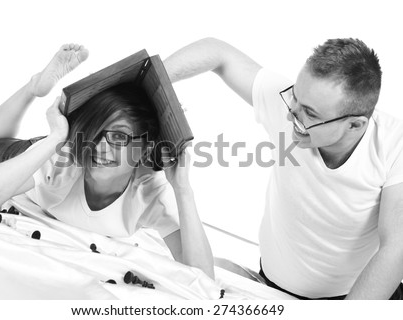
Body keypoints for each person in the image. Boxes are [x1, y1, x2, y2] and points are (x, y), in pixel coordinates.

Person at [163, 37, 403, 299]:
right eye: (295, 98)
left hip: (356, 298)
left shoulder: (393, 146)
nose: (291, 115)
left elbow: (396, 247)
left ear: (355, 125)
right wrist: (151, 84)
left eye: (310, 114)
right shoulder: (291, 106)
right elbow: (217, 53)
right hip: (271, 287)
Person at [0, 43, 214, 279]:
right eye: (97, 132)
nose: (100, 147)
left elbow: (201, 275)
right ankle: (34, 87)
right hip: (54, 147)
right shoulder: (61, 158)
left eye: (118, 136)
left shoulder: (150, 192)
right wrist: (56, 138)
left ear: (146, 147)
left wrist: (183, 190)